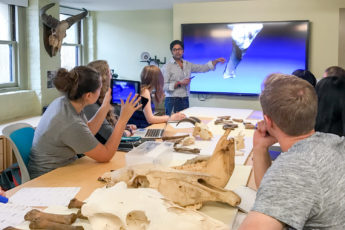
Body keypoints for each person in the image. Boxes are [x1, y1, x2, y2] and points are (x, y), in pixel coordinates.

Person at [239, 73, 345, 230]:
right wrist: (260, 147)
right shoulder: (334, 142)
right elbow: (272, 195)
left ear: (268, 121)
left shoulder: (295, 167)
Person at [28, 66, 141, 179]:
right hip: (48, 178)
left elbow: (87, 130)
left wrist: (105, 106)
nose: (102, 91)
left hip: (61, 167)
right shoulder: (71, 122)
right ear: (88, 95)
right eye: (99, 88)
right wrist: (123, 119)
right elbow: (105, 155)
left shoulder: (65, 102)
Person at [162, 40, 225, 115]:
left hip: (185, 99)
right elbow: (163, 86)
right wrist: (179, 83)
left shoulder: (187, 64)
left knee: (184, 123)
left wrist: (216, 61)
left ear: (183, 51)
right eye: (174, 50)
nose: (177, 51)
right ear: (172, 52)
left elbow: (202, 68)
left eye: (179, 49)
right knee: (171, 124)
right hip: (172, 100)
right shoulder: (167, 67)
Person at [84, 60, 136, 144]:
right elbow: (111, 136)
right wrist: (127, 131)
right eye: (110, 73)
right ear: (103, 78)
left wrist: (125, 127)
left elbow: (109, 127)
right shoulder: (90, 105)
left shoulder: (101, 100)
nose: (112, 77)